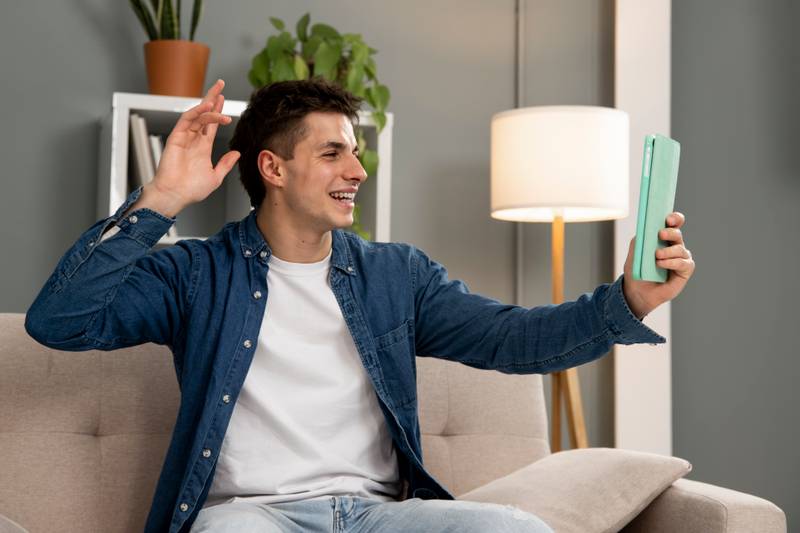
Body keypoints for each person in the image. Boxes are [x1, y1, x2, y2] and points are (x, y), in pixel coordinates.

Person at [25, 77, 695, 533]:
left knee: (516, 528)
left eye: (358, 150)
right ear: (274, 169)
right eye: (334, 151)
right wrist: (162, 199)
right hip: (251, 516)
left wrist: (629, 299)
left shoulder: (395, 275)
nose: (359, 170)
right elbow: (61, 320)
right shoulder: (197, 273)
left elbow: (514, 338)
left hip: (378, 515)